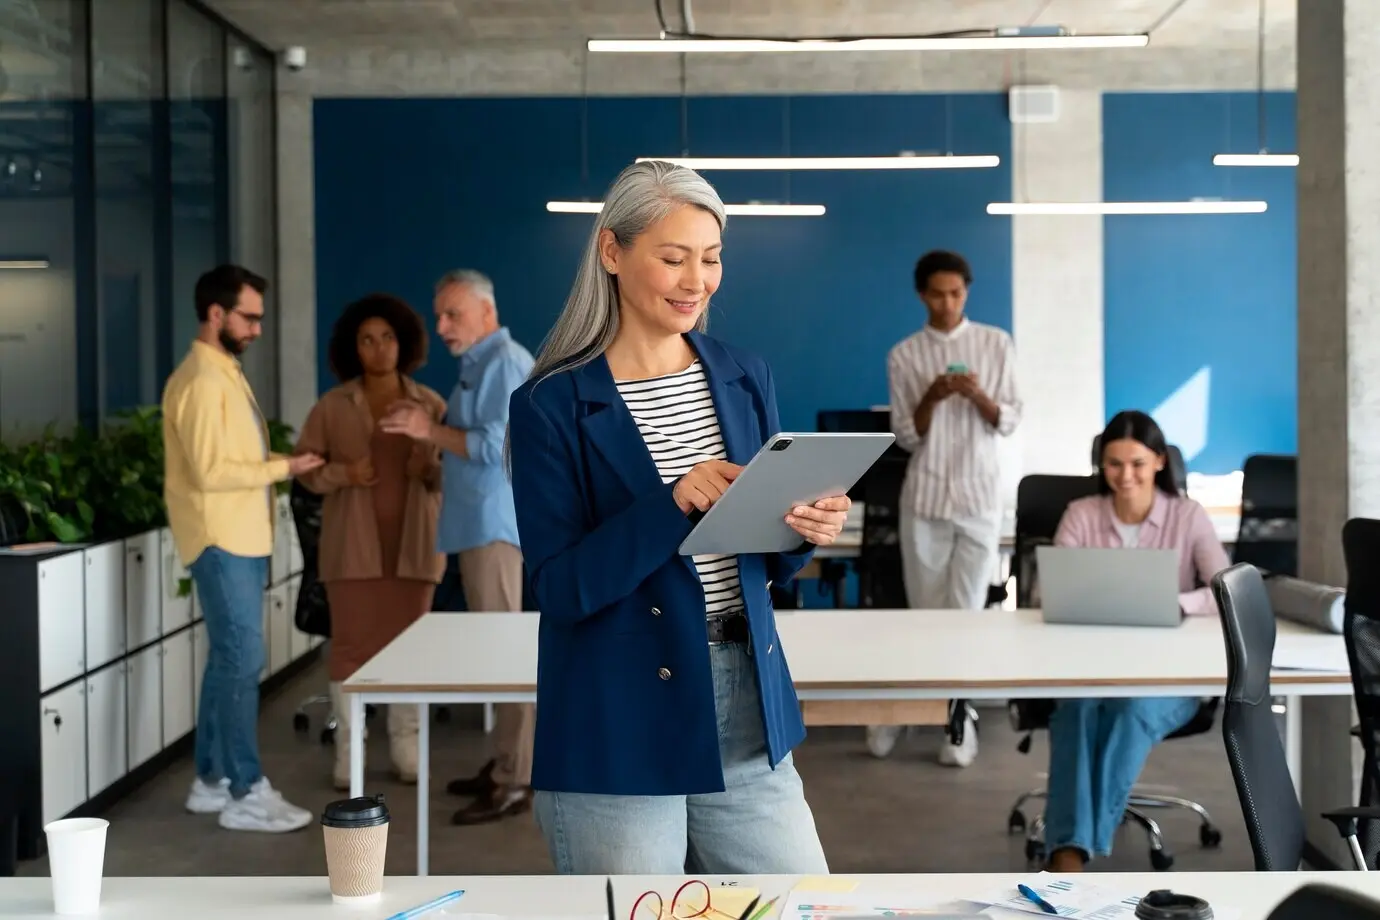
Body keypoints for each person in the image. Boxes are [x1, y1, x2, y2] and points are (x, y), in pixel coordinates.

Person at [506, 160, 851, 874]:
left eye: (712, 258)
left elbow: (761, 557)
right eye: (673, 258)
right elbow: (559, 588)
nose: (698, 280)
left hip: (745, 699)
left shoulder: (742, 373)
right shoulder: (549, 404)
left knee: (807, 901)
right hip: (618, 713)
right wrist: (671, 503)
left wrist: (803, 527)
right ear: (611, 252)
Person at [161, 264, 324, 832]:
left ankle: (209, 779)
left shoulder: (222, 371)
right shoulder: (204, 381)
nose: (256, 327)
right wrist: (286, 466)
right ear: (216, 314)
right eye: (248, 317)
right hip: (221, 538)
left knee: (227, 660)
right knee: (240, 660)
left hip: (236, 538)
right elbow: (210, 472)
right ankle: (244, 790)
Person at [378, 269, 536, 826]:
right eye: (439, 315)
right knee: (499, 655)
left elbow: (499, 445)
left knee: (509, 658)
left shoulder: (505, 362)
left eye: (454, 314)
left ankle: (517, 778)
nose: (441, 326)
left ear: (486, 314)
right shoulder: (479, 365)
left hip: (494, 529)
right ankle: (505, 766)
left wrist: (427, 430)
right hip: (474, 527)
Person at [1043, 410, 1231, 872]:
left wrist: (1177, 602)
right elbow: (1054, 587)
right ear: (1100, 465)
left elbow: (1225, 588)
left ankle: (1074, 849)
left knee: (1128, 710)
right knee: (1077, 710)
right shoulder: (1081, 514)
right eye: (1113, 464)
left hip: (1167, 675)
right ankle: (1071, 850)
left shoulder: (1188, 516)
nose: (1125, 476)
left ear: (1160, 462)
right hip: (1089, 667)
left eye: (1137, 464)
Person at [870, 249, 1022, 767]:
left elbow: (1009, 419)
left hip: (979, 498)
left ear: (967, 292)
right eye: (937, 293)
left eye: (956, 293)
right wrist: (933, 396)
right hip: (927, 497)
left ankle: (959, 721)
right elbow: (908, 437)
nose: (947, 302)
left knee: (966, 616)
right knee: (927, 617)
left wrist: (978, 397)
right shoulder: (905, 355)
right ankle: (909, 708)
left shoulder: (995, 343)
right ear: (921, 294)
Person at [294, 293, 446, 791]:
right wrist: (343, 472)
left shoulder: (431, 404)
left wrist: (430, 470)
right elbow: (306, 471)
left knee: (413, 650)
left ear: (404, 344)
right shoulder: (332, 405)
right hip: (351, 549)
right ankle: (349, 753)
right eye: (367, 340)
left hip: (415, 546)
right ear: (351, 348)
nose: (378, 349)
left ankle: (407, 746)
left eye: (387, 339)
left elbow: (458, 477)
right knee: (350, 649)